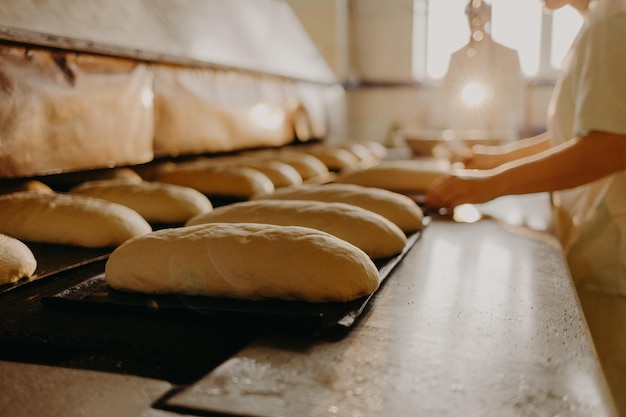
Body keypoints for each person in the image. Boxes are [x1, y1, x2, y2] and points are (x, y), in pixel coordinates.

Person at [426, 0, 626, 413]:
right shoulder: (599, 23)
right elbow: (574, 134)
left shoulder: (614, 21)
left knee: (610, 394)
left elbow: (611, 145)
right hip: (596, 234)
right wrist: (493, 160)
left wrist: (491, 184)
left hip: (614, 247)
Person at [442, 0, 523, 142]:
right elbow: (449, 96)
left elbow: (515, 95)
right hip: (466, 131)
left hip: (499, 130)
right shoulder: (457, 58)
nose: (476, 18)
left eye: (481, 13)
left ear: (489, 15)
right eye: (472, 13)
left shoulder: (507, 55)